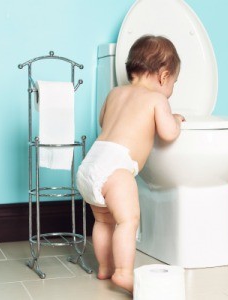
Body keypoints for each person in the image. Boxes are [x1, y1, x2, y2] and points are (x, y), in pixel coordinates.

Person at [76, 35, 184, 293]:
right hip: (116, 168)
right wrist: (176, 119)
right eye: (174, 83)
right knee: (127, 221)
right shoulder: (158, 100)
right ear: (164, 76)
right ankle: (123, 273)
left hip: (91, 164)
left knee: (103, 221)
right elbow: (168, 133)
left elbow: (104, 122)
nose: (171, 89)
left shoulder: (115, 93)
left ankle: (104, 267)